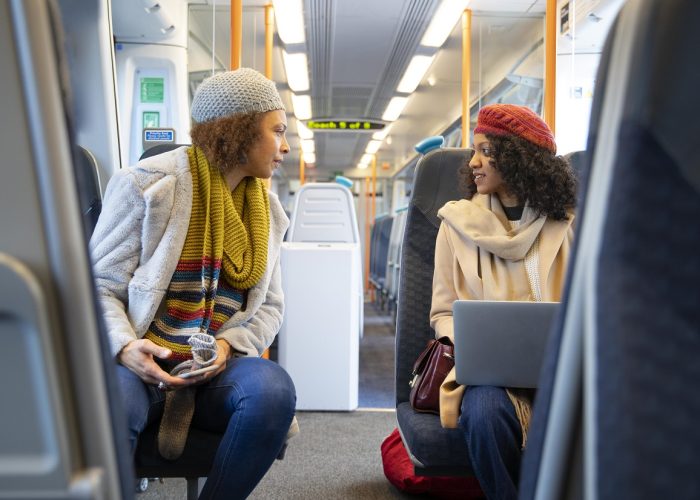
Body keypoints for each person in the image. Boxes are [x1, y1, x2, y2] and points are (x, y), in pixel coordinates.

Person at [90, 68, 296, 499]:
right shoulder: (146, 185)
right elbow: (97, 286)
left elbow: (271, 306)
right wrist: (126, 347)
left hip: (214, 367)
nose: (285, 146)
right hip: (139, 361)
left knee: (273, 391)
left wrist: (226, 346)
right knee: (113, 404)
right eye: (277, 131)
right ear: (238, 130)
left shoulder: (270, 211)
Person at [430, 104, 577, 500]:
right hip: (488, 375)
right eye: (474, 151)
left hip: (561, 368)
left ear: (519, 158)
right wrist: (471, 341)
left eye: (486, 151)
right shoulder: (456, 226)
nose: (474, 161)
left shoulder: (570, 223)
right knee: (483, 413)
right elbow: (443, 311)